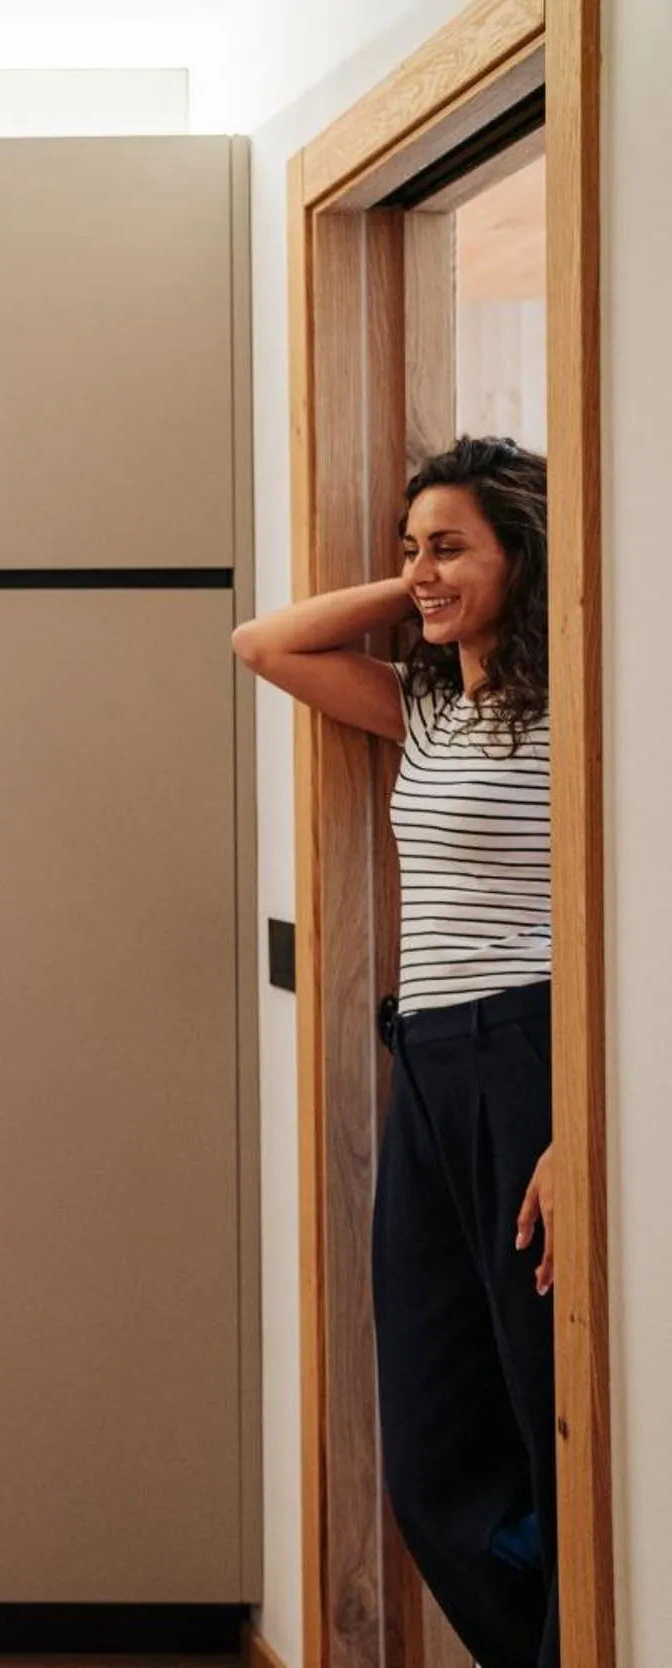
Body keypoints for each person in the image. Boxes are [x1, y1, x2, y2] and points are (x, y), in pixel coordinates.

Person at [233, 436, 556, 1668]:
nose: (421, 570)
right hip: (425, 1062)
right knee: (431, 1450)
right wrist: (424, 585)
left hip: (531, 1060)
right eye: (409, 548)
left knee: (551, 1418)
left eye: (450, 546)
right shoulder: (424, 705)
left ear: (522, 554)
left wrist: (579, 1134)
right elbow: (263, 644)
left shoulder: (574, 707)